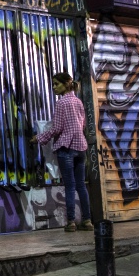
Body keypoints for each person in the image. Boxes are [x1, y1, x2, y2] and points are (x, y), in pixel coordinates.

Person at [30, 72, 93, 232]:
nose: (54, 87)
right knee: (81, 185)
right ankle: (87, 221)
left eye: (56, 84)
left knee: (70, 186)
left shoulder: (61, 103)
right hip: (81, 148)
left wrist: (39, 137)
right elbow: (83, 124)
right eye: (53, 84)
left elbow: (57, 128)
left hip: (66, 148)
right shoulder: (78, 102)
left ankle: (71, 222)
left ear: (66, 84)